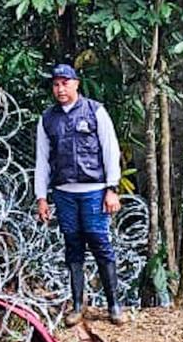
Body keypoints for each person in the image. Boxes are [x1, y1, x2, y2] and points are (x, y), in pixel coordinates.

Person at [34, 63, 127, 325]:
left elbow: (110, 149)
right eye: (56, 84)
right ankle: (77, 306)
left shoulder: (95, 111)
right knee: (73, 246)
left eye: (65, 83)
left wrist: (112, 188)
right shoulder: (47, 119)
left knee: (100, 244)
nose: (60, 89)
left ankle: (114, 305)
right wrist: (41, 197)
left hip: (94, 191)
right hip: (64, 193)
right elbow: (42, 160)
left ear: (76, 84)